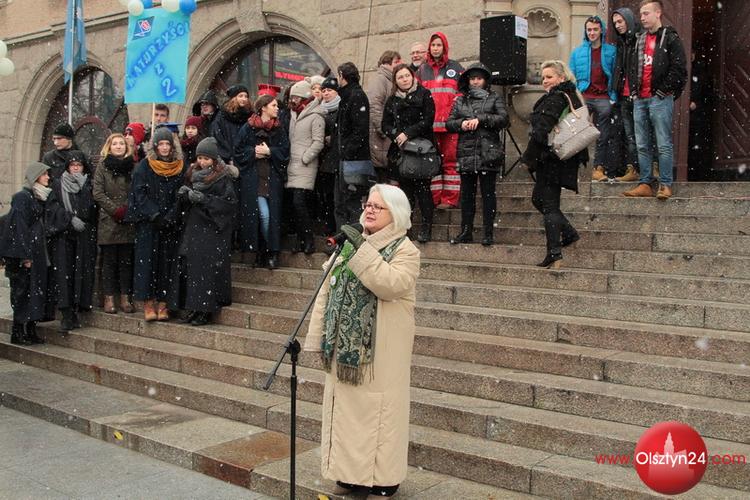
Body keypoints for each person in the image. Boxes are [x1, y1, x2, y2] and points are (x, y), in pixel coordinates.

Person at [304, 184, 420, 499]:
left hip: (380, 354)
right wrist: (318, 337)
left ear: (395, 213)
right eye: (368, 204)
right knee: (345, 415)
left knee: (380, 416)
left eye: (377, 207)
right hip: (344, 351)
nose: (369, 210)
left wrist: (360, 250)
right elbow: (327, 290)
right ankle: (349, 475)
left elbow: (390, 284)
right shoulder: (351, 244)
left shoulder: (405, 249)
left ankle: (383, 479)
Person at [521, 60, 587, 269]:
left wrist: (528, 159)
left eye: (549, 77)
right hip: (564, 156)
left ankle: (555, 253)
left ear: (561, 77)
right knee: (539, 199)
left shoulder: (556, 98)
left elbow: (541, 130)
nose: (545, 81)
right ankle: (568, 233)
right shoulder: (571, 95)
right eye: (543, 77)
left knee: (548, 204)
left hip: (553, 158)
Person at [169, 137, 238, 326]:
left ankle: (205, 310)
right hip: (194, 228)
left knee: (205, 271)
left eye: (206, 158)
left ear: (213, 159)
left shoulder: (223, 178)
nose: (202, 162)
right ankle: (193, 307)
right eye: (200, 158)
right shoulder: (192, 173)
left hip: (212, 230)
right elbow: (185, 203)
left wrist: (205, 200)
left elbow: (229, 205)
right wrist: (184, 196)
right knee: (192, 269)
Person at [623, 0, 687, 200]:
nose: (642, 18)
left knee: (663, 143)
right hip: (640, 99)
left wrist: (662, 91)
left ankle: (665, 184)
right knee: (642, 144)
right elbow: (632, 67)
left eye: (646, 13)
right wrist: (634, 92)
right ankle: (645, 183)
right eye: (641, 14)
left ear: (658, 13)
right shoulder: (639, 40)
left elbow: (679, 68)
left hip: (659, 98)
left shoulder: (670, 38)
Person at [126, 128, 186, 321]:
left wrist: (171, 216)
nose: (165, 148)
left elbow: (181, 195)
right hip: (149, 224)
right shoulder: (144, 166)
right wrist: (154, 214)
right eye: (161, 144)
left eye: (168, 144)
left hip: (170, 225)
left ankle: (164, 303)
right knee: (147, 264)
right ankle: (148, 303)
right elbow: (139, 194)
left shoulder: (179, 167)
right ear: (155, 146)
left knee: (167, 264)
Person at [446, 63, 509, 246]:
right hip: (466, 152)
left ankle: (488, 232)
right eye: (472, 78)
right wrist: (462, 124)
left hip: (488, 152)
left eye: (479, 78)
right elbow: (449, 123)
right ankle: (466, 231)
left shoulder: (494, 97)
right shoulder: (460, 101)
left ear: (485, 80)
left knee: (488, 194)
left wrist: (480, 119)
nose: (475, 82)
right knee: (467, 196)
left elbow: (504, 119)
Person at [234, 94, 290, 269]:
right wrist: (253, 153)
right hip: (254, 180)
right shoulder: (248, 127)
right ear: (263, 108)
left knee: (271, 217)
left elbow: (285, 152)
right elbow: (238, 151)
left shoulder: (279, 129)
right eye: (273, 105)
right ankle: (267, 250)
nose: (277, 108)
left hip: (272, 180)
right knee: (263, 215)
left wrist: (269, 152)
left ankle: (269, 251)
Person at [382, 64, 436, 243]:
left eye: (407, 76)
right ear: (395, 81)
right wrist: (396, 134)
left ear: (412, 77)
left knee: (423, 191)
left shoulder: (424, 94)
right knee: (405, 193)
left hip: (421, 150)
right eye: (400, 77)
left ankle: (426, 227)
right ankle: (406, 228)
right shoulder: (392, 100)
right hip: (401, 152)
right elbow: (385, 124)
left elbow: (428, 120)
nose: (404, 79)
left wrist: (408, 133)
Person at [0, 162, 53, 345]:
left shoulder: (38, 197)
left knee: (34, 292)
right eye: (44, 174)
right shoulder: (23, 197)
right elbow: (19, 228)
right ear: (36, 176)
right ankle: (18, 332)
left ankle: (30, 330)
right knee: (22, 293)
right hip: (24, 256)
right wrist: (24, 256)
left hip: (35, 254)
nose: (48, 177)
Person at [45, 152, 98, 333]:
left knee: (80, 273)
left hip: (83, 236)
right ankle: (66, 313)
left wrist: (84, 190)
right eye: (73, 164)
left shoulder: (88, 185)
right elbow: (52, 208)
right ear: (67, 166)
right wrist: (69, 218)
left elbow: (90, 210)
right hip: (64, 236)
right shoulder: (58, 184)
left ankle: (76, 308)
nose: (76, 168)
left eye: (79, 165)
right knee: (63, 273)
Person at [417, 32, 464, 209]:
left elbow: (462, 93)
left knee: (450, 162)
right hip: (430, 126)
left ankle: (450, 199)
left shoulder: (456, 68)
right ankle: (434, 199)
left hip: (450, 125)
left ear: (444, 47)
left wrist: (454, 113)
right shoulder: (422, 70)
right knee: (433, 163)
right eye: (433, 45)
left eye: (439, 45)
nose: (435, 48)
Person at [569, 15, 617, 182]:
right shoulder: (577, 53)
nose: (592, 33)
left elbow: (616, 75)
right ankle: (575, 170)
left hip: (604, 97)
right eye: (589, 29)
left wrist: (613, 96)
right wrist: (574, 97)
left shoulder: (611, 51)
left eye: (595, 29)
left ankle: (598, 168)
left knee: (603, 134)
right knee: (577, 133)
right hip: (584, 96)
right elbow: (571, 76)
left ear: (601, 30)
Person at [92, 133, 136, 315]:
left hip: (128, 219)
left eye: (121, 144)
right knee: (109, 262)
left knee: (126, 262)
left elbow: (137, 190)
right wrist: (115, 210)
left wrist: (127, 209)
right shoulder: (103, 166)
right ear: (109, 147)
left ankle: (125, 297)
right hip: (109, 219)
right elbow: (98, 192)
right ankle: (109, 298)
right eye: (115, 144)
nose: (118, 146)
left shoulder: (132, 166)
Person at [286, 79, 326, 254]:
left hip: (305, 165)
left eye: (296, 97)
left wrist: (305, 157)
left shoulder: (316, 116)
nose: (292, 100)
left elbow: (318, 142)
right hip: (292, 165)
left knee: (299, 203)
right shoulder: (293, 114)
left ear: (304, 97)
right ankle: (300, 240)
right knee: (295, 205)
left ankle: (308, 240)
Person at [334, 62, 371, 229]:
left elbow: (360, 131)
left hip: (354, 160)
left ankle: (354, 238)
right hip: (347, 159)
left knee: (351, 202)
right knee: (341, 203)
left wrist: (346, 151)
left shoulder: (356, 96)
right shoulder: (347, 96)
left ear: (342, 76)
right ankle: (343, 238)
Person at [611, 7, 642, 182]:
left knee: (643, 134)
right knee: (630, 136)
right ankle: (633, 169)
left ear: (628, 20)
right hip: (624, 95)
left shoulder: (639, 39)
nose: (617, 25)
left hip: (639, 95)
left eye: (620, 21)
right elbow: (619, 68)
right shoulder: (621, 42)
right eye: (615, 23)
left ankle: (649, 169)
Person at [367, 50, 401, 182]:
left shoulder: (389, 80)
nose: (399, 65)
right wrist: (384, 130)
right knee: (383, 177)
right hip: (382, 138)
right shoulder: (381, 79)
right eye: (396, 62)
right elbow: (374, 106)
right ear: (387, 63)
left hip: (389, 136)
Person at [316, 76, 341, 237]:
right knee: (326, 196)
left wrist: (333, 138)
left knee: (335, 197)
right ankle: (328, 225)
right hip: (323, 159)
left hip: (336, 159)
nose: (326, 93)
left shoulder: (341, 108)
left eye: (329, 90)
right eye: (323, 90)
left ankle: (334, 227)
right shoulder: (319, 110)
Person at [211, 84, 252, 163]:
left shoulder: (250, 115)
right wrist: (228, 156)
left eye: (246, 96)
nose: (244, 99)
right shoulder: (222, 115)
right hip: (228, 160)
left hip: (245, 159)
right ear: (233, 98)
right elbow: (218, 137)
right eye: (240, 96)